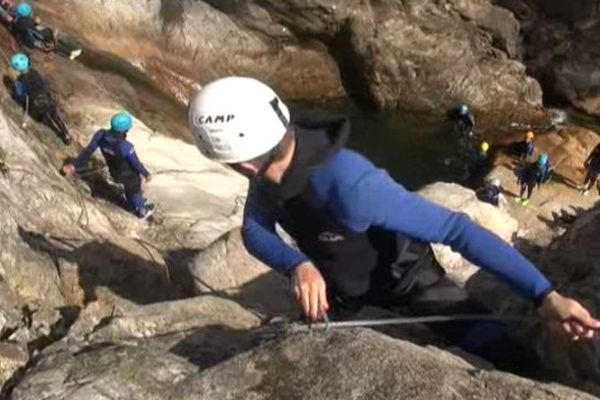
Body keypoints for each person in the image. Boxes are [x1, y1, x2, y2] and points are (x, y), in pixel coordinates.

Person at [188, 77, 598, 357]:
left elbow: (456, 230)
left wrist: (545, 296)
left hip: (406, 280)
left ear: (240, 162)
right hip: (341, 287)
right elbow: (254, 230)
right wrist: (298, 265)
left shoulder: (348, 183)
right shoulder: (268, 169)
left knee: (499, 349)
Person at [62, 112, 155, 219]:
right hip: (128, 175)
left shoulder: (101, 135)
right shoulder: (126, 147)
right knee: (134, 186)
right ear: (125, 130)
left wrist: (74, 165)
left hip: (114, 172)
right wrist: (146, 174)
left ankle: (133, 202)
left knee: (129, 186)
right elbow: (136, 164)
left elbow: (88, 151)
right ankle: (140, 209)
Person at [9, 52, 71, 144]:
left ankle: (56, 130)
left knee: (46, 120)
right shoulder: (35, 72)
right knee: (56, 116)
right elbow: (43, 83)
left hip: (37, 104)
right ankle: (66, 134)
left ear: (17, 69)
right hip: (47, 99)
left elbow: (20, 95)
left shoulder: (19, 81)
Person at [11, 2, 81, 59]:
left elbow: (27, 29)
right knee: (56, 40)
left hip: (30, 42)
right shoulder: (27, 22)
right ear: (28, 14)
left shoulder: (18, 22)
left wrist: (35, 23)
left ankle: (69, 55)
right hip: (40, 41)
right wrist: (53, 33)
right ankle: (72, 51)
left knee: (53, 47)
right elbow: (38, 33)